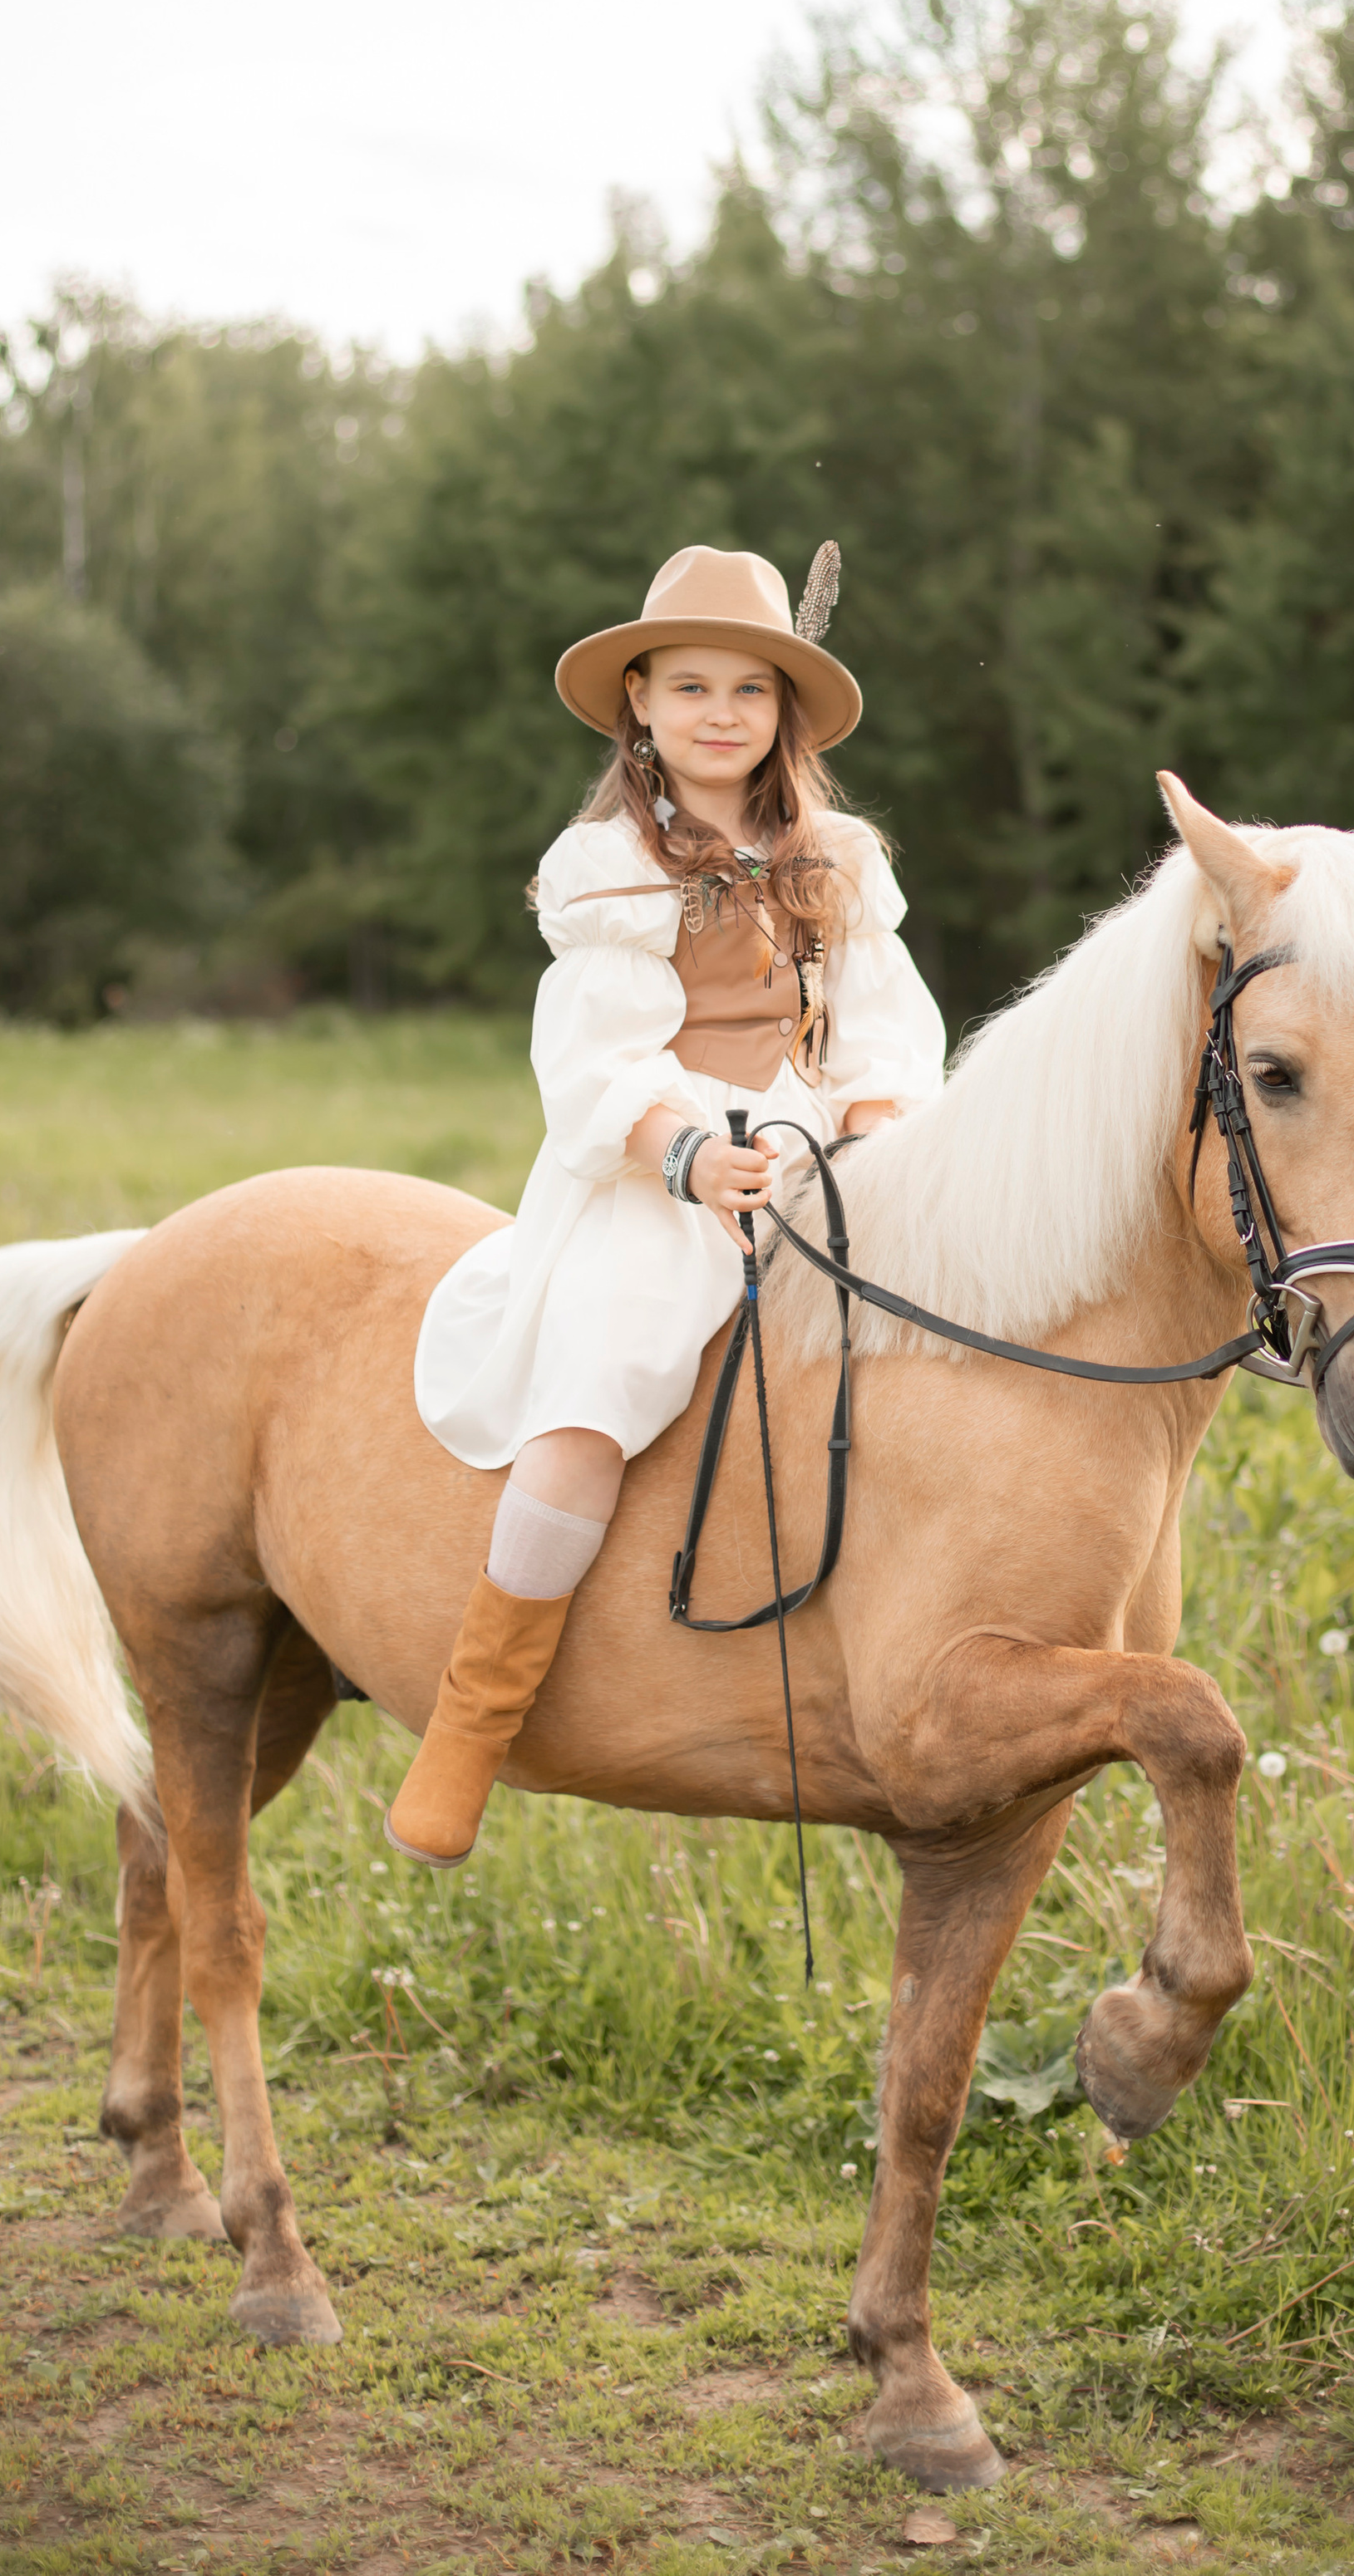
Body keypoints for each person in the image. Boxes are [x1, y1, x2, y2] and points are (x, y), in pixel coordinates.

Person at [387, 543, 948, 1866]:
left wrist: (872, 1138)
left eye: (749, 690)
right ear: (637, 700)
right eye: (688, 685)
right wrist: (687, 1154)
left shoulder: (838, 859)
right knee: (604, 1380)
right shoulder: (610, 867)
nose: (719, 712)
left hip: (820, 1154)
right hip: (660, 1167)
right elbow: (594, 1054)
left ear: (782, 715)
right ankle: (473, 1721)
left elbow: (883, 1033)